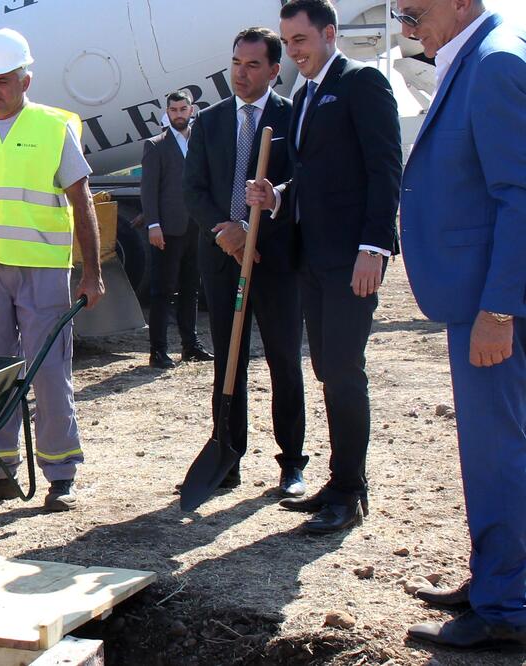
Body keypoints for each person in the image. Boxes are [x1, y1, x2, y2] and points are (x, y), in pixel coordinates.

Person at [394, 1, 526, 650]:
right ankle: (497, 578)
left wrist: (498, 310)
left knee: (499, 456)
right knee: (493, 454)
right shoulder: (476, 54)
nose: (402, 17)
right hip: (479, 303)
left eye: (412, 7)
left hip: (492, 311)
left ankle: (507, 609)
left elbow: (519, 195)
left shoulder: (497, 63)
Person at [0, 28, 105, 511]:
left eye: (3, 80)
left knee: (48, 370)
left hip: (44, 270)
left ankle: (60, 471)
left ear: (26, 80)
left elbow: (81, 200)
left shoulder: (54, 128)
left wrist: (91, 273)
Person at [246, 0, 402, 533]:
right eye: (287, 43)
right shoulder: (304, 95)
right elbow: (315, 175)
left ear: (329, 33)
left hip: (351, 258)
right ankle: (340, 483)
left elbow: (384, 169)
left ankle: (349, 490)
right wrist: (278, 196)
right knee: (326, 369)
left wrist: (374, 248)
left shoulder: (361, 84)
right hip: (312, 256)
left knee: (342, 369)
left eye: (300, 41)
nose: (293, 51)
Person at [183, 27, 307, 496]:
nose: (242, 72)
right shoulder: (210, 121)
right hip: (221, 257)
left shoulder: (291, 118)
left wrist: (265, 214)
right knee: (228, 363)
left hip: (275, 259)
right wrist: (227, 231)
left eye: (253, 65)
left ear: (275, 70)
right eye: (237, 62)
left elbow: (301, 183)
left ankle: (292, 462)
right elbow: (193, 189)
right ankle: (227, 456)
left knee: (282, 360)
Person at [140, 90, 213, 369]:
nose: (179, 114)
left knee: (191, 288)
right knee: (162, 291)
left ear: (191, 110)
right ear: (167, 112)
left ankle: (190, 345)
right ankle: (157, 350)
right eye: (174, 110)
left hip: (197, 227)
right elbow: (148, 190)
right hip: (167, 230)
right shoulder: (156, 145)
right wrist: (153, 225)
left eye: (183, 109)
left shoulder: (201, 141)